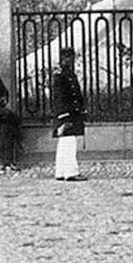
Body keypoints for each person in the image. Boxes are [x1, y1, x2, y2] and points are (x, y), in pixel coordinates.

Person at [52, 46, 88, 182]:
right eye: (67, 58)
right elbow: (59, 97)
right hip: (66, 113)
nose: (70, 60)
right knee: (69, 141)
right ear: (62, 59)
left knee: (64, 142)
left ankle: (61, 171)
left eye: (71, 57)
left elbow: (76, 94)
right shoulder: (60, 75)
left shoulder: (69, 74)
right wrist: (64, 115)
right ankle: (71, 172)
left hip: (72, 112)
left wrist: (81, 108)